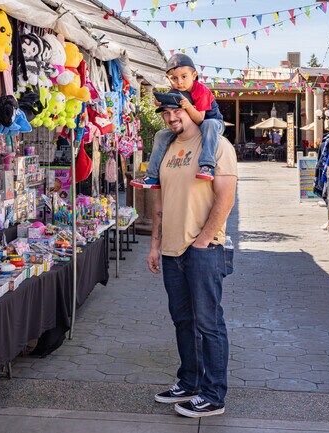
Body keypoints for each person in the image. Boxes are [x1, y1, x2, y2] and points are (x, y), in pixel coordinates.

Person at [147, 98, 237, 418]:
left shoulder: (217, 146)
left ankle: (214, 395)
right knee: (183, 321)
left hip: (204, 249)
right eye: (166, 113)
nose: (172, 118)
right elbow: (161, 201)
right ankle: (189, 382)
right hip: (171, 251)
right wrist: (156, 245)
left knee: (208, 324)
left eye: (178, 111)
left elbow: (225, 198)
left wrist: (201, 241)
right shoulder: (166, 148)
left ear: (191, 111)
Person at [131, 53, 225, 189]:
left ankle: (207, 165)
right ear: (168, 79)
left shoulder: (202, 91)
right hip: (189, 125)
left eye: (184, 77)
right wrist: (159, 102)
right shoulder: (174, 90)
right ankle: (152, 176)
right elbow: (170, 108)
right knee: (161, 135)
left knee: (208, 125)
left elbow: (200, 119)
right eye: (174, 78)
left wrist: (187, 106)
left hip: (212, 122)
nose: (179, 82)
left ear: (194, 76)